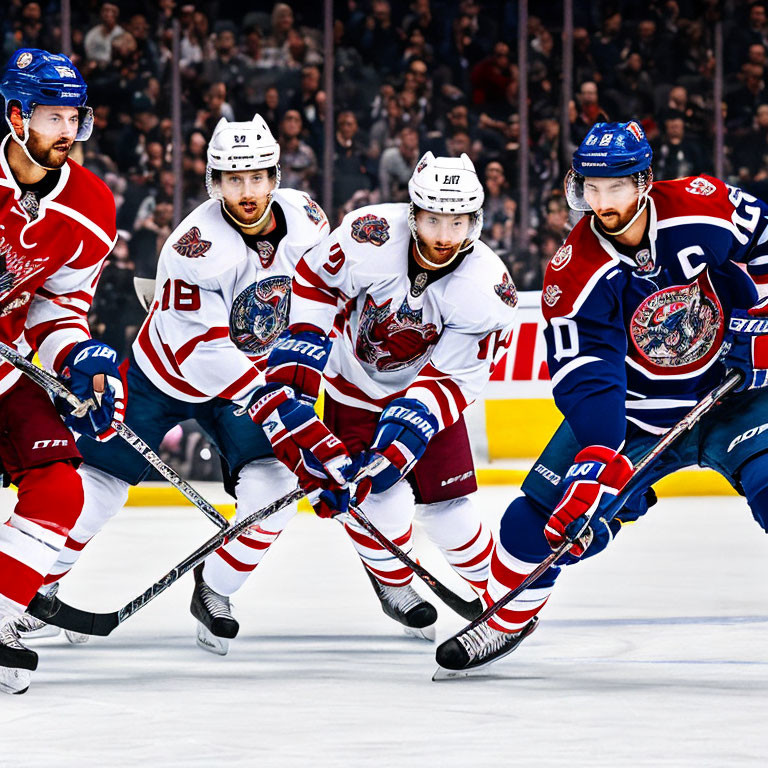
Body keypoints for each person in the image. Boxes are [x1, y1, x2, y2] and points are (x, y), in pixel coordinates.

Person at [435, 121, 768, 676]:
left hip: (731, 395)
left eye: (614, 187)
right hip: (634, 416)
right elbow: (588, 371)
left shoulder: (702, 204)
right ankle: (506, 618)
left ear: (644, 181)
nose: (601, 202)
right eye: (591, 187)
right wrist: (598, 456)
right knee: (537, 520)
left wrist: (758, 322)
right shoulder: (575, 270)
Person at [30, 114, 345, 657]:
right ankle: (38, 588)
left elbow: (325, 292)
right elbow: (204, 349)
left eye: (257, 177)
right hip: (166, 377)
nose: (247, 192)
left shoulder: (307, 217)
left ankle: (214, 590)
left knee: (272, 489)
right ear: (214, 182)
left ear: (275, 177)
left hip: (249, 380)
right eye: (233, 179)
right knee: (98, 487)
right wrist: (274, 402)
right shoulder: (195, 246)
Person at [252, 151, 519, 639]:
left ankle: (499, 593)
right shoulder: (367, 233)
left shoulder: (487, 286)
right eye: (434, 218)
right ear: (412, 212)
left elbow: (452, 379)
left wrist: (400, 441)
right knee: (379, 504)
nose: (444, 235)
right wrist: (297, 370)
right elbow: (314, 282)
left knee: (452, 518)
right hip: (352, 388)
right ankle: (396, 583)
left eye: (458, 221)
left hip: (428, 396)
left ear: (475, 220)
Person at [0, 49, 121, 694]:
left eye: (74, 116)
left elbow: (58, 307)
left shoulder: (92, 203)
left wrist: (80, 357)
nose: (68, 131)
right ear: (17, 115)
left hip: (8, 368)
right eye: (53, 117)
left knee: (61, 489)